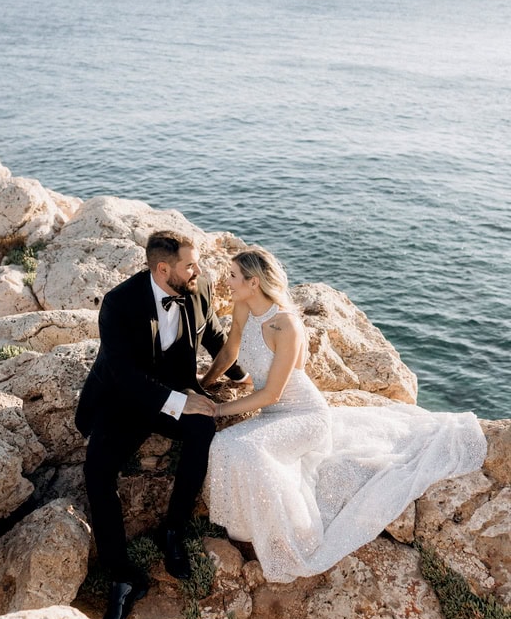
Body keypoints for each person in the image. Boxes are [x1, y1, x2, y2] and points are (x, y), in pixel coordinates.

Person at [203, 246, 488, 584]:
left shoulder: (285, 326)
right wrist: (205, 384)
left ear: (253, 282)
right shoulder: (243, 308)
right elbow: (231, 349)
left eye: (233, 276)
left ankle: (290, 533)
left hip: (304, 415)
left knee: (247, 450)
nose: (227, 280)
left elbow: (273, 392)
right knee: (222, 444)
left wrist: (217, 408)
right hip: (271, 415)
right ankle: (248, 527)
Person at [75, 230, 248, 619]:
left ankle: (172, 529)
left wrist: (240, 374)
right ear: (162, 268)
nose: (198, 270)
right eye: (190, 264)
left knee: (203, 429)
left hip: (175, 390)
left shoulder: (197, 285)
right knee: (97, 472)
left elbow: (213, 332)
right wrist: (179, 401)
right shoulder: (119, 303)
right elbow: (120, 373)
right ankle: (122, 574)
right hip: (122, 398)